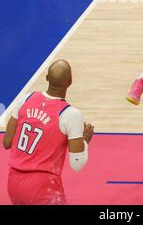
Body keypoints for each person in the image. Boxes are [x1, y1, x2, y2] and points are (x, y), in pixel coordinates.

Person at [3, 59, 94, 205]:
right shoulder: (71, 114)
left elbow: (7, 142)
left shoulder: (26, 99)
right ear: (69, 81)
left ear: (46, 78)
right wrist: (85, 140)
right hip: (42, 187)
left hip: (14, 183)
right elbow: (77, 164)